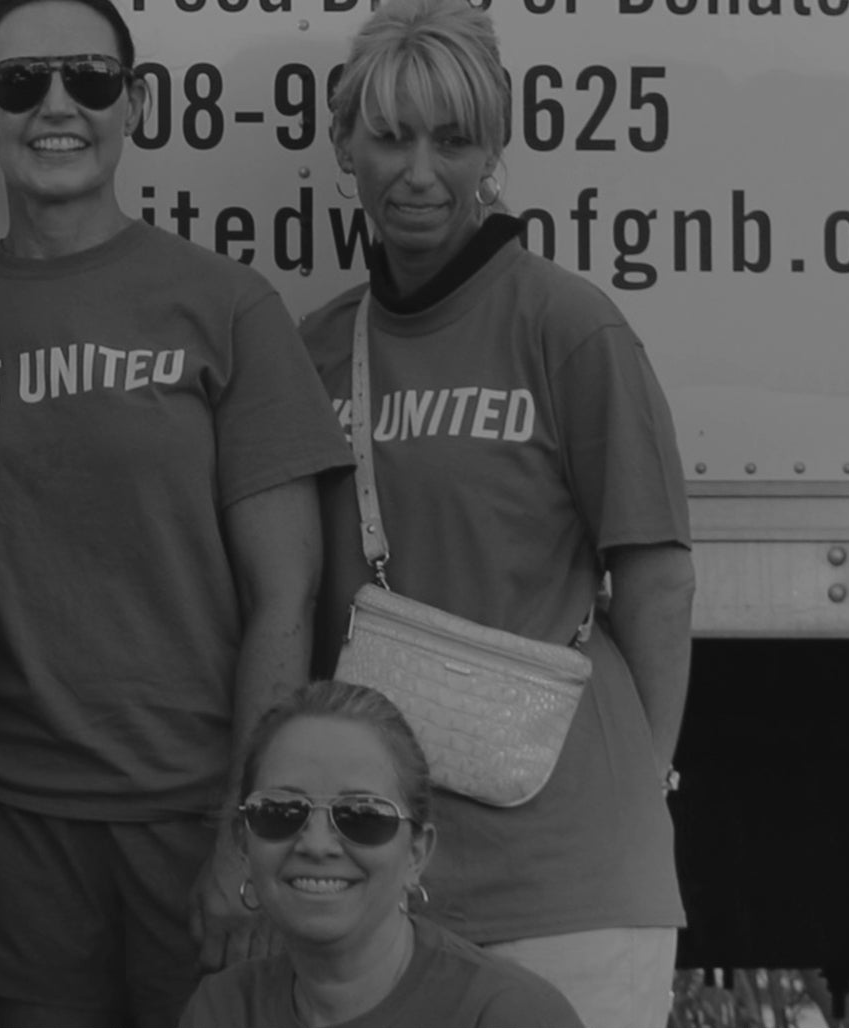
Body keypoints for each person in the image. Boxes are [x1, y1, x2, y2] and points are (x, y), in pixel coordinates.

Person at [0, 0, 355, 1021]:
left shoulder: (225, 305)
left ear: (136, 103)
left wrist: (249, 831)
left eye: (88, 78)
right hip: (10, 837)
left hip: (194, 819)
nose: (57, 106)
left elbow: (287, 598)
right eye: (22, 84)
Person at [300, 2, 695, 1023]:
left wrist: (640, 783)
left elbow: (657, 580)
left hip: (570, 884)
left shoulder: (568, 324)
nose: (419, 172)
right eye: (391, 137)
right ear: (343, 144)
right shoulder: (316, 350)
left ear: (493, 152)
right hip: (380, 892)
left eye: (453, 139)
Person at [180, 681, 581, 1026]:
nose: (316, 845)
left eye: (361, 816)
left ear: (417, 854)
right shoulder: (223, 1010)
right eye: (280, 811)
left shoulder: (508, 1015)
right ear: (243, 841)